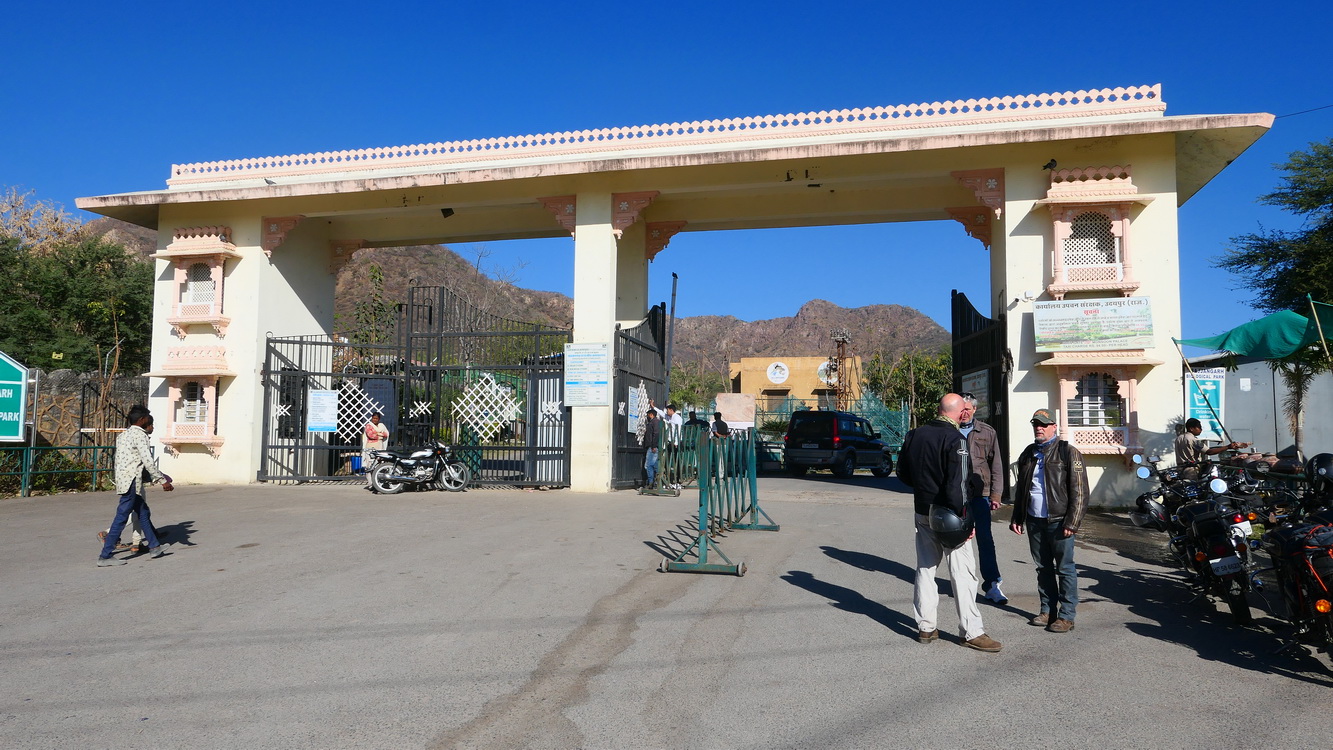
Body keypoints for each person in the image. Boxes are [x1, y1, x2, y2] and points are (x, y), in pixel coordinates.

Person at [896, 393, 1001, 652]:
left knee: (925, 569)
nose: (966, 413)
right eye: (964, 409)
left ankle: (926, 627)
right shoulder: (956, 439)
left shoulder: (914, 435)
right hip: (950, 515)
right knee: (963, 574)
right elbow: (959, 484)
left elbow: (902, 473)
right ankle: (972, 631)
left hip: (923, 511)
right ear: (956, 411)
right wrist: (966, 518)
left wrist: (925, 490)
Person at [1010, 408, 1090, 633]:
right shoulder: (1028, 453)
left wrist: (1072, 522)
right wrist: (1018, 516)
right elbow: (1022, 489)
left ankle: (1066, 615)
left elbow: (1080, 491)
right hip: (1035, 520)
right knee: (1042, 568)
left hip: (1059, 520)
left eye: (1044, 424)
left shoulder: (1068, 452)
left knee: (1065, 568)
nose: (1039, 428)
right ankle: (1047, 610)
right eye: (1036, 424)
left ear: (1054, 426)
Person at [98, 405, 173, 567]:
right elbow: (147, 460)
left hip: (124, 479)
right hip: (132, 480)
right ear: (141, 420)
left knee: (143, 512)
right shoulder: (140, 435)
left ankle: (155, 547)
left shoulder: (123, 435)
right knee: (122, 516)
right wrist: (162, 480)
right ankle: (105, 555)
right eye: (147, 418)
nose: (149, 421)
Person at [959, 393, 1007, 605]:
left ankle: (992, 585)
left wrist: (996, 494)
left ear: (975, 410)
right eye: (962, 409)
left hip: (980, 495)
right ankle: (961, 582)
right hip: (955, 496)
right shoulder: (949, 431)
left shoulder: (987, 432)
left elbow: (996, 464)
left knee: (985, 540)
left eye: (968, 409)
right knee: (955, 539)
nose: (965, 412)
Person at [1174, 418, 1248, 479]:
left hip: (1180, 469)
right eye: (1199, 427)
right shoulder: (1193, 440)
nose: (1201, 429)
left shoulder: (1179, 438)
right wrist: (1228, 447)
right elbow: (1209, 451)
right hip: (1191, 470)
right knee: (1193, 491)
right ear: (1191, 428)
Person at [362, 413, 389, 479]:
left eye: (376, 418)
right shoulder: (369, 426)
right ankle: (370, 482)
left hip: (380, 446)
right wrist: (380, 436)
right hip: (371, 447)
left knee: (379, 464)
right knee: (370, 464)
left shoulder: (381, 426)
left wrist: (377, 433)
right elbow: (371, 435)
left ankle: (377, 481)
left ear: (379, 419)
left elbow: (386, 434)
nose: (375, 420)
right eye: (374, 418)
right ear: (372, 418)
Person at [642, 408, 660, 486]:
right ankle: (655, 481)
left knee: (649, 465)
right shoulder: (655, 422)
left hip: (652, 446)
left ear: (651, 415)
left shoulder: (654, 422)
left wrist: (653, 446)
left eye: (648, 415)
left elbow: (655, 434)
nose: (647, 417)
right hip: (652, 446)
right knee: (654, 464)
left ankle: (651, 482)